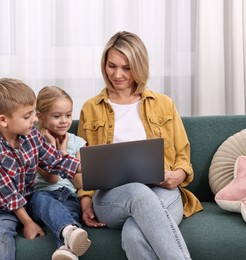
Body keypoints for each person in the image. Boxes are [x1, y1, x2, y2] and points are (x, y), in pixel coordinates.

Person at [77, 31, 203, 259]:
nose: (117, 74)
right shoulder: (90, 108)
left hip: (163, 191)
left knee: (134, 234)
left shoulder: (164, 104)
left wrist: (178, 174)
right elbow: (83, 165)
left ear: (140, 66)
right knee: (138, 191)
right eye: (111, 65)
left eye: (126, 67)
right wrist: (85, 203)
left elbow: (183, 155)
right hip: (111, 199)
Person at [0, 78, 82, 260]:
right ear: (3, 120)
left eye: (33, 113)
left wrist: (82, 167)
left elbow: (54, 160)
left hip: (9, 209)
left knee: (2, 238)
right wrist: (28, 222)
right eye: (27, 116)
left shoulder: (31, 135)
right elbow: (5, 190)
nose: (35, 119)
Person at [26, 86, 91, 260]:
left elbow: (80, 183)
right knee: (42, 200)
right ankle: (70, 231)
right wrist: (56, 150)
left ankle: (66, 248)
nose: (64, 121)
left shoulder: (77, 142)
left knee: (67, 213)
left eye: (68, 115)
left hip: (68, 195)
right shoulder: (33, 143)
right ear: (40, 116)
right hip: (40, 196)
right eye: (57, 116)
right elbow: (52, 178)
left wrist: (65, 152)